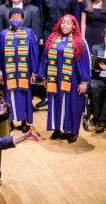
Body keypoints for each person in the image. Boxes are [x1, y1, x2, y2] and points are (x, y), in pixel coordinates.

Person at [38, 14, 90, 143]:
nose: (65, 25)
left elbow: (84, 63)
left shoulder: (79, 42)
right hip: (55, 79)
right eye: (63, 23)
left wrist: (84, 81)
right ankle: (58, 128)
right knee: (56, 103)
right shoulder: (52, 39)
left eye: (68, 23)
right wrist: (44, 77)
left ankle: (72, 131)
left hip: (72, 80)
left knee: (72, 105)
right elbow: (45, 58)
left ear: (74, 26)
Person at [0, 8, 39, 132]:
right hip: (8, 72)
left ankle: (24, 122)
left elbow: (34, 53)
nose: (15, 20)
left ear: (23, 19)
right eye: (13, 18)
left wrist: (34, 72)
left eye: (18, 18)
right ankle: (9, 122)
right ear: (9, 19)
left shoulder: (29, 33)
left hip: (24, 72)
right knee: (9, 96)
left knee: (24, 96)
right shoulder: (3, 34)